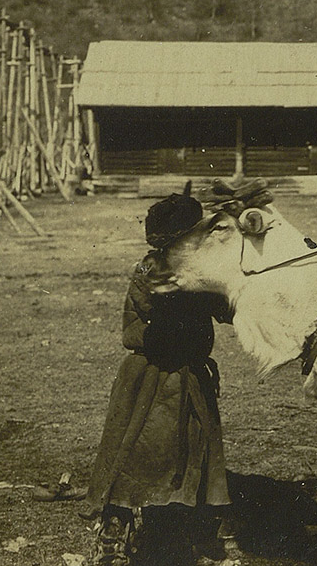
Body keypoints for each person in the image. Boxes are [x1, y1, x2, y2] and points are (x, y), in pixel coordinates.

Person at [85, 191, 234, 566]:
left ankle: (190, 527)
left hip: (192, 381)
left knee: (192, 452)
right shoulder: (150, 273)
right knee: (135, 451)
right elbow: (131, 330)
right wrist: (164, 324)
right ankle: (113, 530)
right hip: (149, 380)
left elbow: (227, 308)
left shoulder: (201, 276)